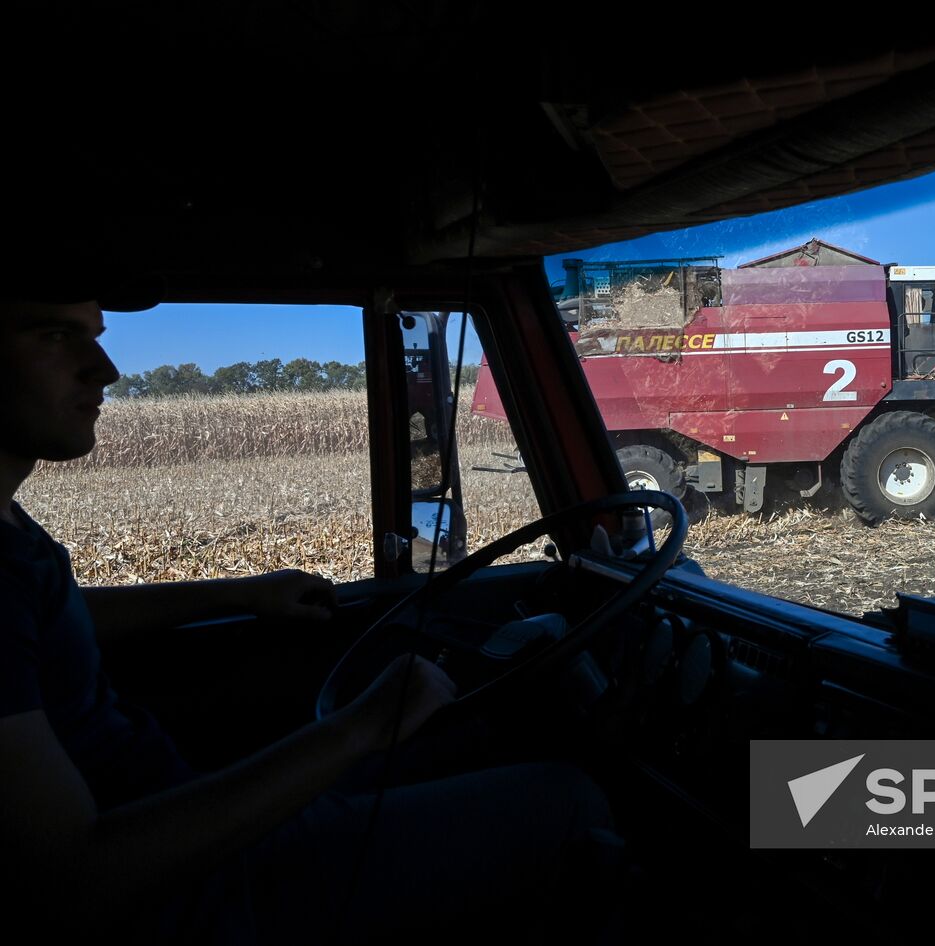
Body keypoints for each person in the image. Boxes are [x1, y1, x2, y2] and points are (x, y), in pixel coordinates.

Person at [0, 263, 616, 943]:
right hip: (197, 889)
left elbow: (51, 624)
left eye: (95, 334)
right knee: (572, 799)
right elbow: (71, 883)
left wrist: (244, 593)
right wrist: (361, 727)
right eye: (56, 335)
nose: (106, 369)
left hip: (179, 810)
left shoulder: (10, 533)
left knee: (482, 739)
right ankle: (756, 865)